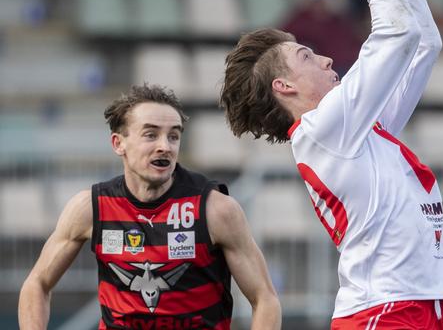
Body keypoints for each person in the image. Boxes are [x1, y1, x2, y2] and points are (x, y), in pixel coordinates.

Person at [220, 0, 443, 329]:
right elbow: (397, 34)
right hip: (383, 313)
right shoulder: (324, 128)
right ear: (284, 86)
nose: (327, 60)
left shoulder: (356, 127)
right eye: (308, 56)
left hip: (417, 306)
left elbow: (425, 43)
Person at [18, 84, 281, 330]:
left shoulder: (215, 210)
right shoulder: (90, 207)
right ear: (118, 143)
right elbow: (36, 285)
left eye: (174, 136)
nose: (164, 147)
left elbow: (265, 299)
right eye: (151, 134)